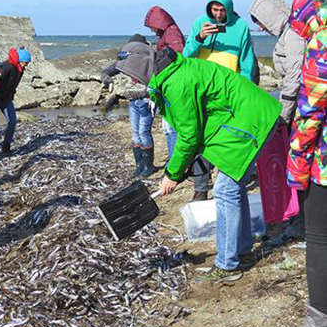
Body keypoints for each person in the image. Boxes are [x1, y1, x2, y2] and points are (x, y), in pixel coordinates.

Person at [115, 41, 281, 282]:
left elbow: (189, 135)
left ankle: (227, 265)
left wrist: (172, 174)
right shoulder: (170, 74)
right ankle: (242, 252)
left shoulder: (176, 83)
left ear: (142, 68)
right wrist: (181, 168)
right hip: (243, 117)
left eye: (132, 75)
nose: (132, 81)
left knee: (225, 190)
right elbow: (193, 126)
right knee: (233, 188)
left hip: (250, 120)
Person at [183, 0, 257, 201]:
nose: (217, 15)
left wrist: (245, 93)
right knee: (198, 140)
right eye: (214, 10)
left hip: (227, 94)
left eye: (221, 10)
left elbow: (247, 62)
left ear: (229, 8)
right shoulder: (200, 24)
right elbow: (186, 56)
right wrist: (199, 37)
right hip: (202, 92)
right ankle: (200, 188)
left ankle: (226, 181)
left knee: (224, 138)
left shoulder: (241, 27)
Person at [285, 0, 327, 327]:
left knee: (319, 236)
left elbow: (312, 111)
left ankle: (320, 322)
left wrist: (296, 165)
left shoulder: (323, 42)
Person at [249, 0, 307, 246]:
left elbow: (295, 77)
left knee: (302, 166)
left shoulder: (294, 35)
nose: (260, 27)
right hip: (301, 107)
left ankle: (302, 227)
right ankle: (300, 223)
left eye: (260, 21)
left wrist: (283, 113)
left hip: (303, 110)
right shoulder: (288, 33)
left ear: (271, 16)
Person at [102, 34, 158, 177]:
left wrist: (143, 94)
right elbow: (111, 69)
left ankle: (148, 166)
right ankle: (139, 165)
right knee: (135, 132)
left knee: (143, 131)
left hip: (146, 102)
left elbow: (155, 85)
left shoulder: (150, 61)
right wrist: (105, 77)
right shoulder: (128, 59)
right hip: (133, 100)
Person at [144, 6, 186, 161]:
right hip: (167, 83)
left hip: (172, 85)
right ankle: (173, 159)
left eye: (152, 27)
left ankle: (175, 162)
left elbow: (177, 57)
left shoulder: (172, 33)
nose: (152, 31)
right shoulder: (167, 33)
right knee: (168, 128)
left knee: (171, 128)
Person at [0, 46, 31, 161]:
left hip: (6, 99)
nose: (27, 65)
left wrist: (11, 94)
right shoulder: (7, 67)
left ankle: (6, 148)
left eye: (27, 63)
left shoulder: (20, 70)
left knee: (12, 121)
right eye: (25, 62)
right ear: (20, 61)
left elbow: (12, 84)